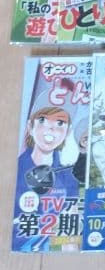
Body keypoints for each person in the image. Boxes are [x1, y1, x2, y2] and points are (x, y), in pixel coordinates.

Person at [13, 104, 79, 251]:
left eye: (60, 123)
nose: (51, 129)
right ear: (30, 127)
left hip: (44, 253)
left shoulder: (68, 176)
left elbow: (69, 232)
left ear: (67, 132)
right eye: (43, 120)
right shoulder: (15, 168)